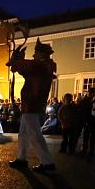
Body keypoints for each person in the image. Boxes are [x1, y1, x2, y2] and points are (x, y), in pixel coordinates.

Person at [7, 38, 57, 172]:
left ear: (43, 54)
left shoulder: (41, 66)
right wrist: (18, 60)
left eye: (36, 53)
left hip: (32, 104)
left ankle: (47, 163)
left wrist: (17, 58)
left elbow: (17, 66)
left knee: (35, 134)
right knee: (23, 133)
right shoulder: (42, 67)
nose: (34, 55)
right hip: (30, 105)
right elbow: (20, 68)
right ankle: (21, 159)